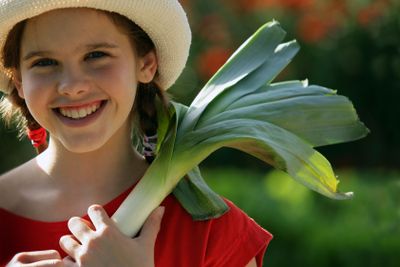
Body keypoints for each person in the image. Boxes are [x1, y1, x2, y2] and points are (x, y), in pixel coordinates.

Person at [0, 1, 272, 266]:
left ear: (146, 64)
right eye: (44, 61)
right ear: (19, 81)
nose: (72, 86)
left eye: (96, 55)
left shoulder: (212, 232)